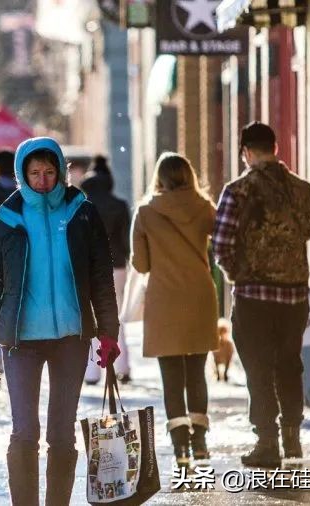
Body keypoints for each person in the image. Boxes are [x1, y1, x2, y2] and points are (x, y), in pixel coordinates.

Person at [0, 137, 120, 505]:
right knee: (24, 432)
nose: (42, 180)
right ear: (22, 173)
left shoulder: (81, 212)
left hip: (71, 338)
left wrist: (108, 332)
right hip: (21, 340)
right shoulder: (6, 219)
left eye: (49, 172)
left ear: (61, 172)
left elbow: (101, 276)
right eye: (34, 173)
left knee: (62, 434)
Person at [213, 122, 310, 468]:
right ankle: (292, 435)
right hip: (294, 296)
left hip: (253, 296)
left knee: (258, 370)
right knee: (290, 364)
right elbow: (309, 228)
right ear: (275, 148)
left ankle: (267, 443)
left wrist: (238, 275)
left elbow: (222, 244)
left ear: (246, 152)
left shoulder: (237, 190)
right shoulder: (302, 189)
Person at [131, 152, 219, 468]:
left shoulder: (145, 212)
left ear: (160, 178)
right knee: (197, 372)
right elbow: (222, 246)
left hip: (164, 300)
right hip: (200, 296)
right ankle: (200, 441)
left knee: (171, 377)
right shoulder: (206, 208)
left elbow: (141, 264)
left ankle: (181, 447)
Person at [81, 155, 132, 384]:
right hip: (117, 266)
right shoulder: (120, 205)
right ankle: (123, 367)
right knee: (115, 315)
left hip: (89, 267)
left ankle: (92, 372)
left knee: (91, 317)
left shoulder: (83, 207)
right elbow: (126, 241)